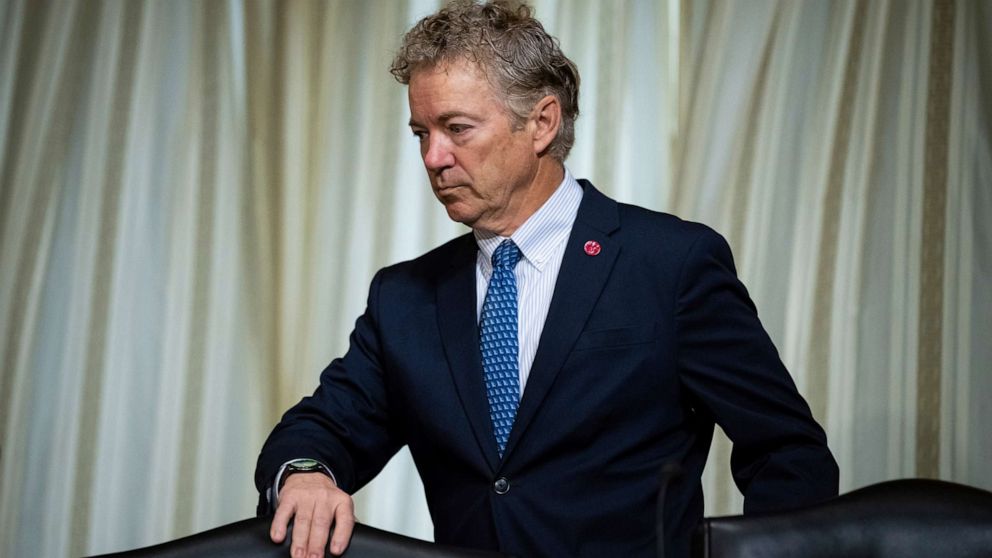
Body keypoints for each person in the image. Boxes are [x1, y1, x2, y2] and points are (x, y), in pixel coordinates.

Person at [255, 2, 839, 557]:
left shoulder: (670, 265)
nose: (433, 157)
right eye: (420, 133)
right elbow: (319, 428)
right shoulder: (404, 298)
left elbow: (788, 454)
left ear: (541, 122)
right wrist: (306, 474)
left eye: (457, 128)